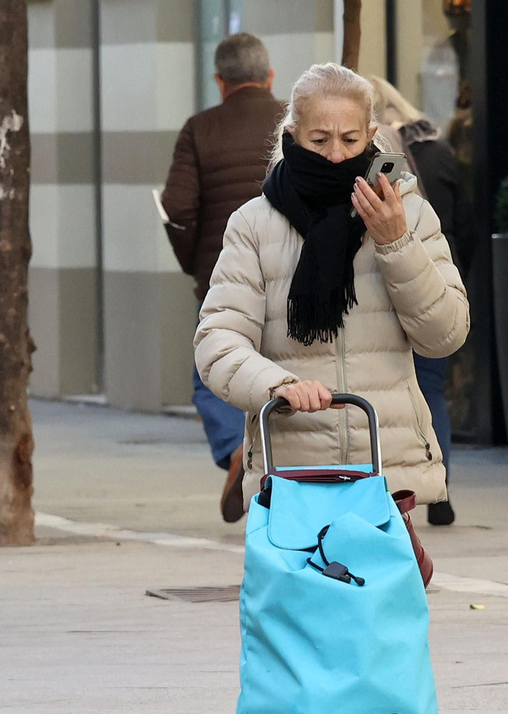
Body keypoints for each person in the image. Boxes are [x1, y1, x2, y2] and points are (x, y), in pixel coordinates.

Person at [194, 62, 468, 714]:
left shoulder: (404, 210)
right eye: (321, 138)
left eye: (353, 138)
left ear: (375, 136)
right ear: (292, 135)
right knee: (309, 632)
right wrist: (275, 383)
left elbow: (445, 332)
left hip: (388, 471)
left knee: (380, 631)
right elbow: (217, 342)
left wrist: (394, 246)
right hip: (298, 474)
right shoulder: (256, 223)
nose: (339, 151)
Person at [161, 32, 284, 524]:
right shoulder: (292, 121)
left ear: (219, 81)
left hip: (223, 275)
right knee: (284, 369)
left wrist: (195, 262)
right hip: (289, 274)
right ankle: (280, 465)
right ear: (270, 76)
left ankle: (237, 448)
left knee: (212, 373)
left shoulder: (199, 129)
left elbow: (177, 208)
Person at [368, 76, 473, 526]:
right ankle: (440, 488)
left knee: (386, 397)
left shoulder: (372, 160)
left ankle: (398, 495)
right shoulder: (439, 153)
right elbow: (464, 224)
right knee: (430, 391)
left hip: (387, 294)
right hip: (434, 281)